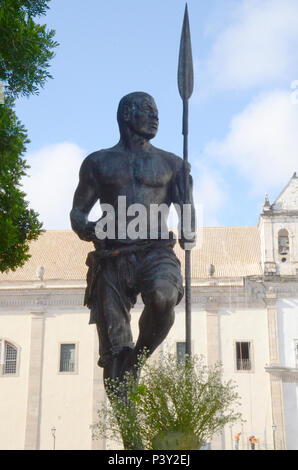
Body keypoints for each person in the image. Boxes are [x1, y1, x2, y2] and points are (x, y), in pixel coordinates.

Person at [70, 92, 195, 385]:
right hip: (112, 255)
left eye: (157, 112)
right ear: (127, 114)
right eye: (148, 110)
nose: (155, 116)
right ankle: (128, 418)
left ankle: (135, 359)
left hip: (156, 250)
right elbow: (77, 210)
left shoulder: (172, 164)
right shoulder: (97, 162)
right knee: (114, 355)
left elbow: (186, 214)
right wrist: (84, 228)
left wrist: (189, 222)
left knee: (164, 298)